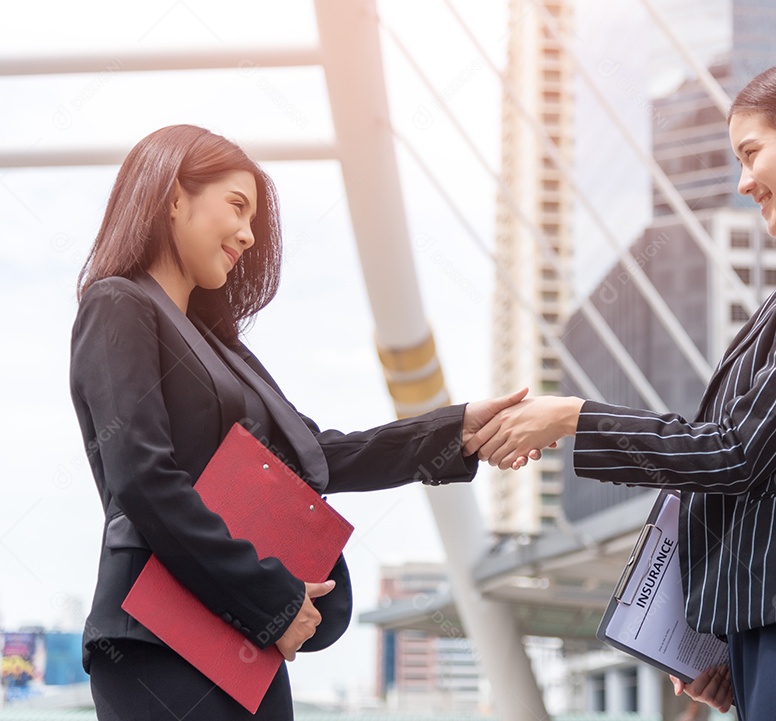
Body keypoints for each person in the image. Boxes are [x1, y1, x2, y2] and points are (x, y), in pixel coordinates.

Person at [467, 54, 776, 721]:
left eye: (751, 154)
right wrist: (732, 628)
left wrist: (575, 419)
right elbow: (768, 473)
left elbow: (737, 451)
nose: (742, 180)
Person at [71, 124, 526, 720]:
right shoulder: (118, 303)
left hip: (237, 638)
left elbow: (313, 455)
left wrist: (454, 430)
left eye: (253, 218)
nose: (247, 234)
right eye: (237, 206)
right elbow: (142, 478)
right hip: (159, 638)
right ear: (173, 195)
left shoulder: (218, 346)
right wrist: (270, 598)